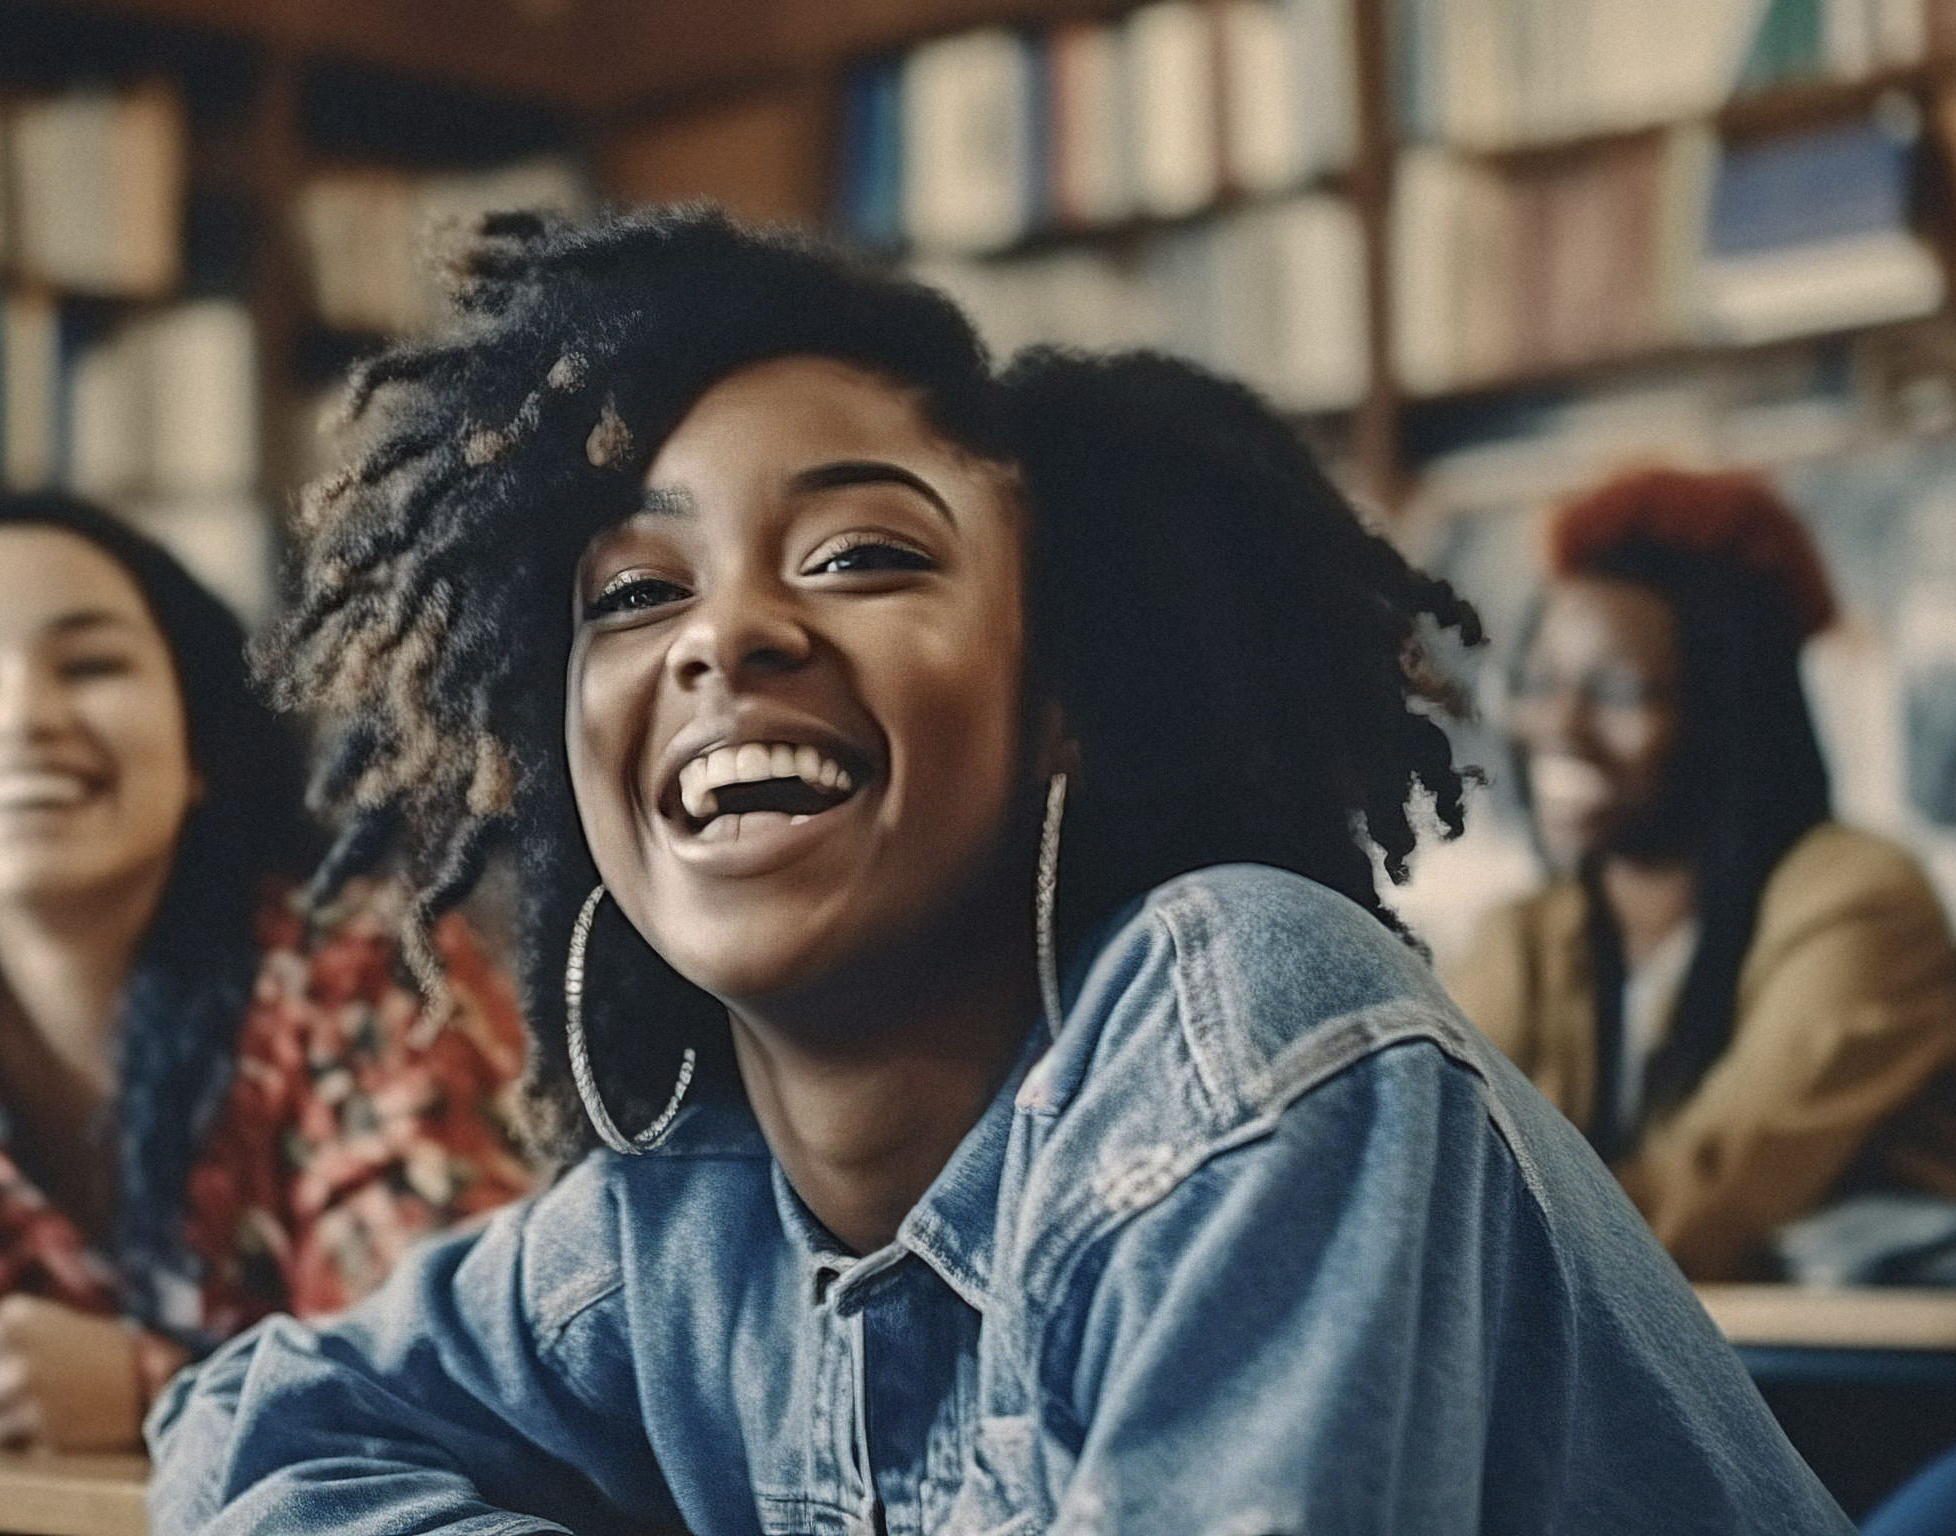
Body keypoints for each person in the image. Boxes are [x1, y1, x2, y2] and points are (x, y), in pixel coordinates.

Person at [147, 208, 1845, 1532]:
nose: (726, 632)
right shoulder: (684, 1220)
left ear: (1068, 706)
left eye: (862, 553)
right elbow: (258, 1421)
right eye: (634, 593)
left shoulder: (1245, 1022)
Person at [0, 494, 533, 1455]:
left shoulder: (362, 968)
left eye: (92, 664)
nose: (22, 716)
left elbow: (458, 1377)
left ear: (199, 747)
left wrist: (156, 1388)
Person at [1443, 467, 1956, 1282]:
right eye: (1541, 683)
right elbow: (1442, 1161)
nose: (1560, 726)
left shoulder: (1861, 902)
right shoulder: (1527, 936)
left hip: (1915, 1387)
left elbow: (1707, 1201)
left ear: (1729, 711)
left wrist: (1442, 1247)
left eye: (1616, 692)